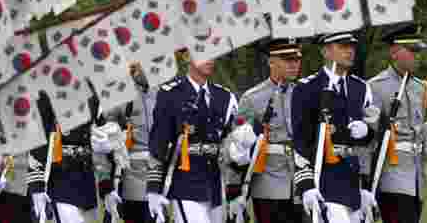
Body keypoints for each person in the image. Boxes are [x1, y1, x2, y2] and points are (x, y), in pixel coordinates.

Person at [146, 54, 253, 223]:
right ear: (187, 56)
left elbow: (232, 150)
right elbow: (158, 145)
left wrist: (236, 191)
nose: (210, 59)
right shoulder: (170, 94)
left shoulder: (225, 97)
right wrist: (153, 190)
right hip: (184, 184)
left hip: (216, 186)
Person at [362, 24, 427, 223]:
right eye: (411, 50)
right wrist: (364, 180)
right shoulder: (375, 87)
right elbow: (368, 138)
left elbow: (419, 129)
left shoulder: (420, 87)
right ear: (393, 52)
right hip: (390, 177)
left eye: (417, 51)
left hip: (415, 178)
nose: (416, 55)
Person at [291, 32, 379, 223]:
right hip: (323, 181)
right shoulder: (307, 88)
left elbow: (369, 145)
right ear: (326, 51)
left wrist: (367, 133)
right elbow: (300, 142)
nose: (349, 51)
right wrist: (306, 186)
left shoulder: (361, 88)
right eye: (342, 46)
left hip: (353, 184)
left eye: (352, 46)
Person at [231, 38, 305, 223]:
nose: (294, 64)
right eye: (287, 59)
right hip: (267, 180)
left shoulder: (305, 94)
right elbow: (238, 149)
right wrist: (234, 190)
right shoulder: (252, 98)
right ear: (271, 61)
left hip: (302, 179)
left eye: (297, 59)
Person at [28, 91, 100, 223]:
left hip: (87, 178)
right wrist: (36, 185)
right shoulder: (46, 87)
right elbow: (36, 136)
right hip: (60, 177)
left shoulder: (91, 86)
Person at [106, 61, 158, 223]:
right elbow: (106, 129)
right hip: (130, 171)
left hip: (158, 170)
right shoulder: (121, 95)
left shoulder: (161, 93)